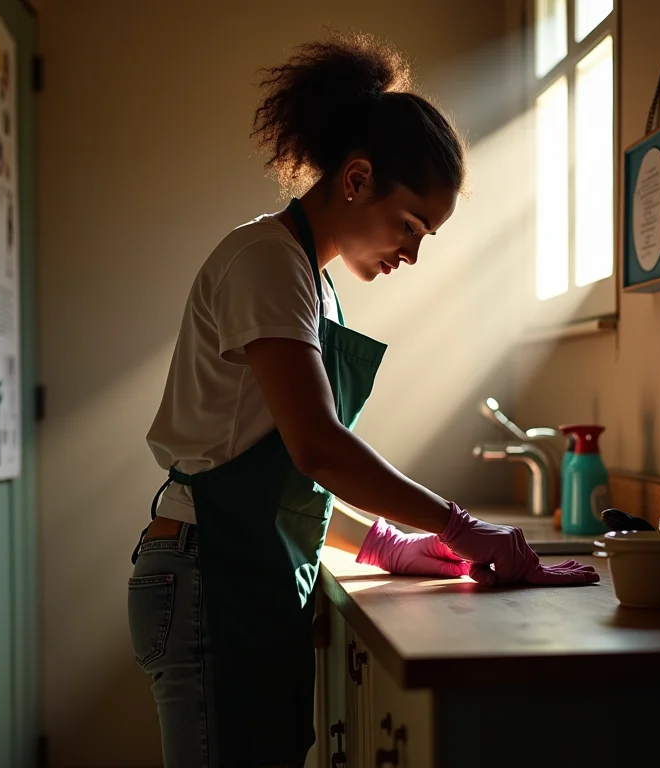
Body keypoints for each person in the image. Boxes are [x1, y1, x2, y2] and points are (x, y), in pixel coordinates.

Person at [127, 30, 599, 768]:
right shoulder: (265, 262)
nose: (412, 252)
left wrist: (386, 545)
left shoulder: (312, 282)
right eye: (410, 225)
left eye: (426, 236)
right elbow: (318, 448)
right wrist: (459, 525)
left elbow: (284, 482)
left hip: (239, 565)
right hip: (204, 573)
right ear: (356, 178)